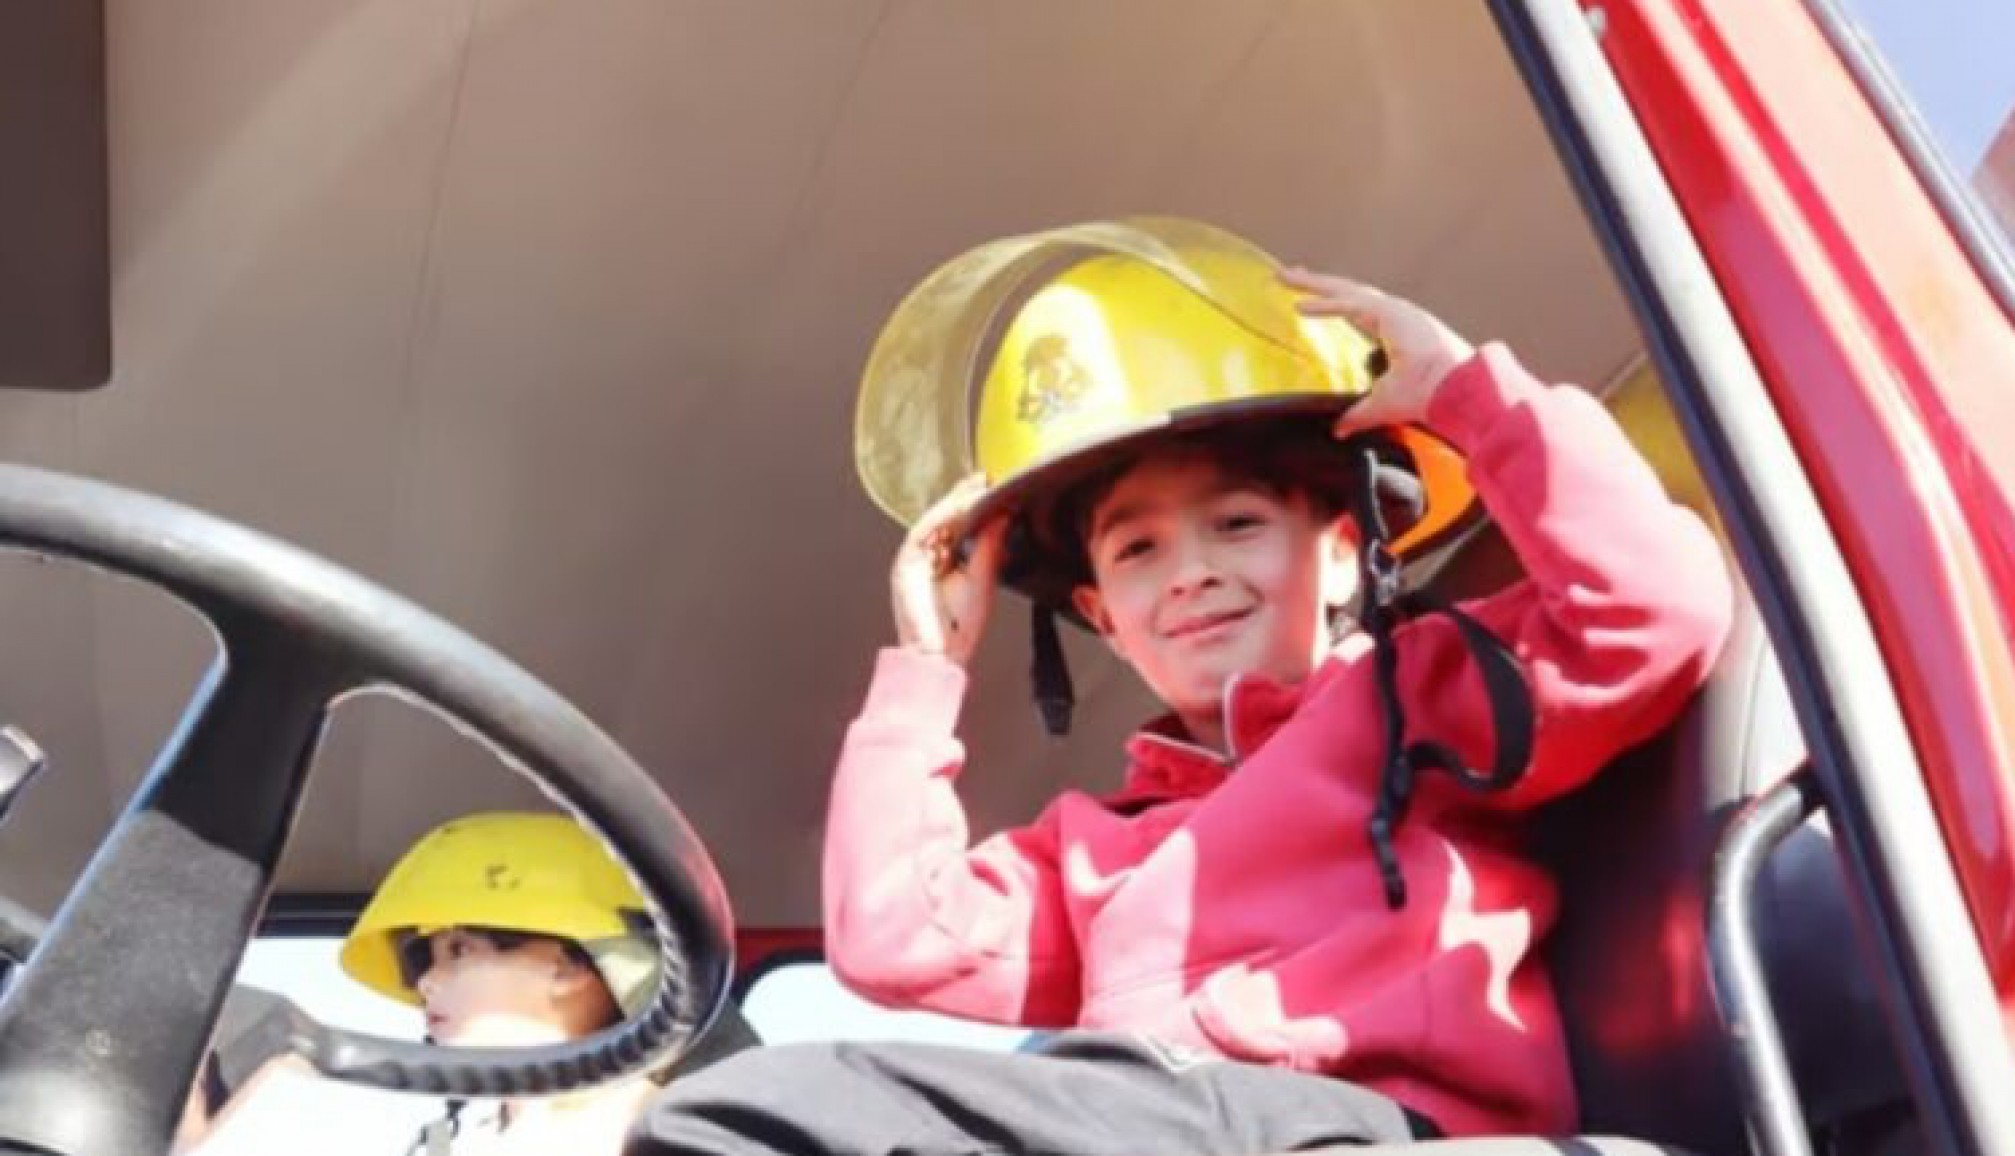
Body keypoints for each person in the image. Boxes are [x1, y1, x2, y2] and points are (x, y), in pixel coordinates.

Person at [629, 217, 1733, 1154]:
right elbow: (891, 937)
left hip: (1369, 1126)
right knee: (720, 1121)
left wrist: (1467, 398)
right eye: (1138, 551)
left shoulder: (1422, 693)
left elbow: (1657, 610)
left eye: (1238, 523)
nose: (1191, 570)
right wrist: (929, 666)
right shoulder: (1094, 848)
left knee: (756, 1117)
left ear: (1346, 553)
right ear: (1105, 621)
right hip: (1151, 1113)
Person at [180, 811, 753, 1155]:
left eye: (459, 950)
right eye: (427, 959)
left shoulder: (663, 1133)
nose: (427, 981)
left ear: (571, 965)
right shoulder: (467, 1134)